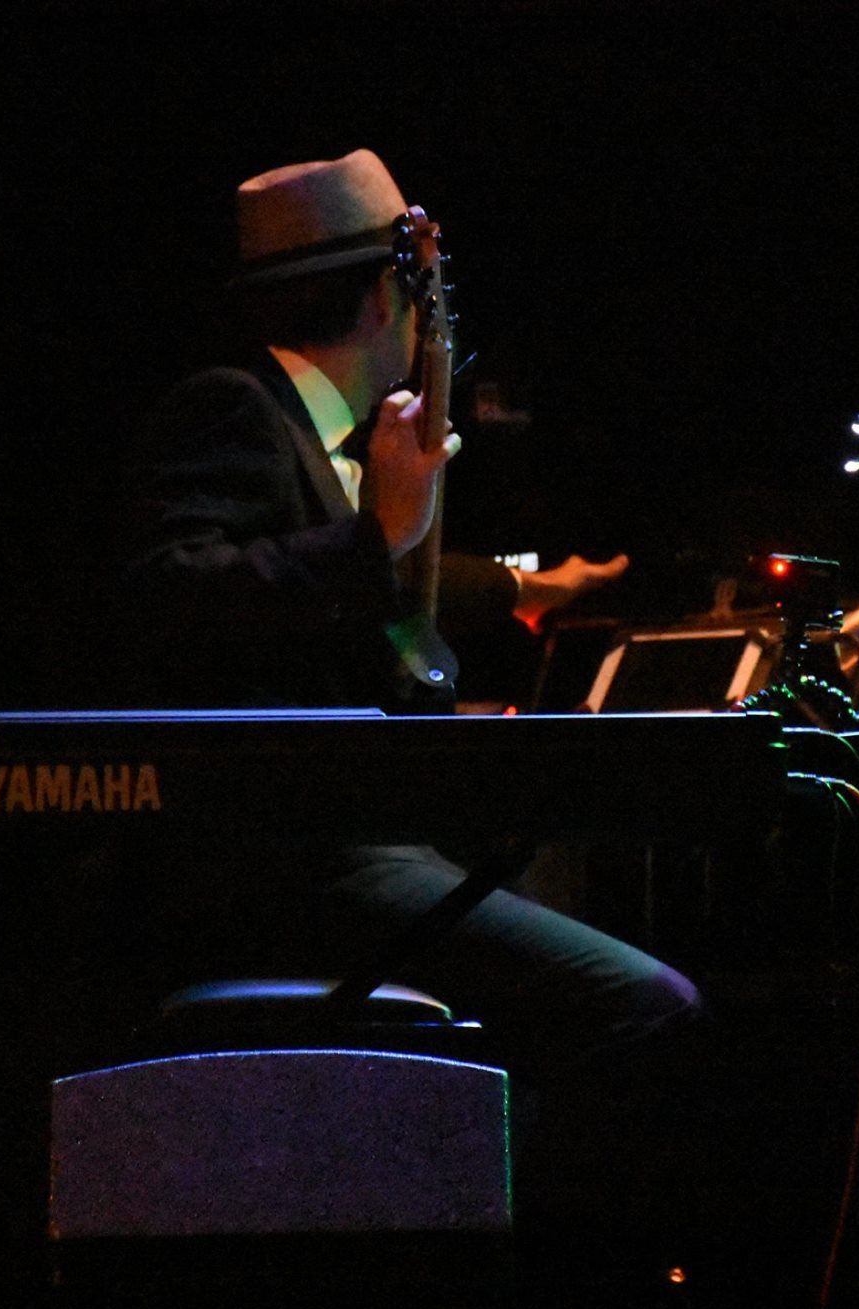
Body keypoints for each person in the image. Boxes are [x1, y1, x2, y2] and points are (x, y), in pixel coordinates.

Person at [117, 149, 692, 1067]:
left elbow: (351, 579)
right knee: (647, 1004)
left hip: (363, 837)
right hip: (304, 860)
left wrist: (518, 587)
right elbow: (171, 591)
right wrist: (377, 533)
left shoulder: (320, 434)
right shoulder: (233, 407)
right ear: (387, 300)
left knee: (575, 880)